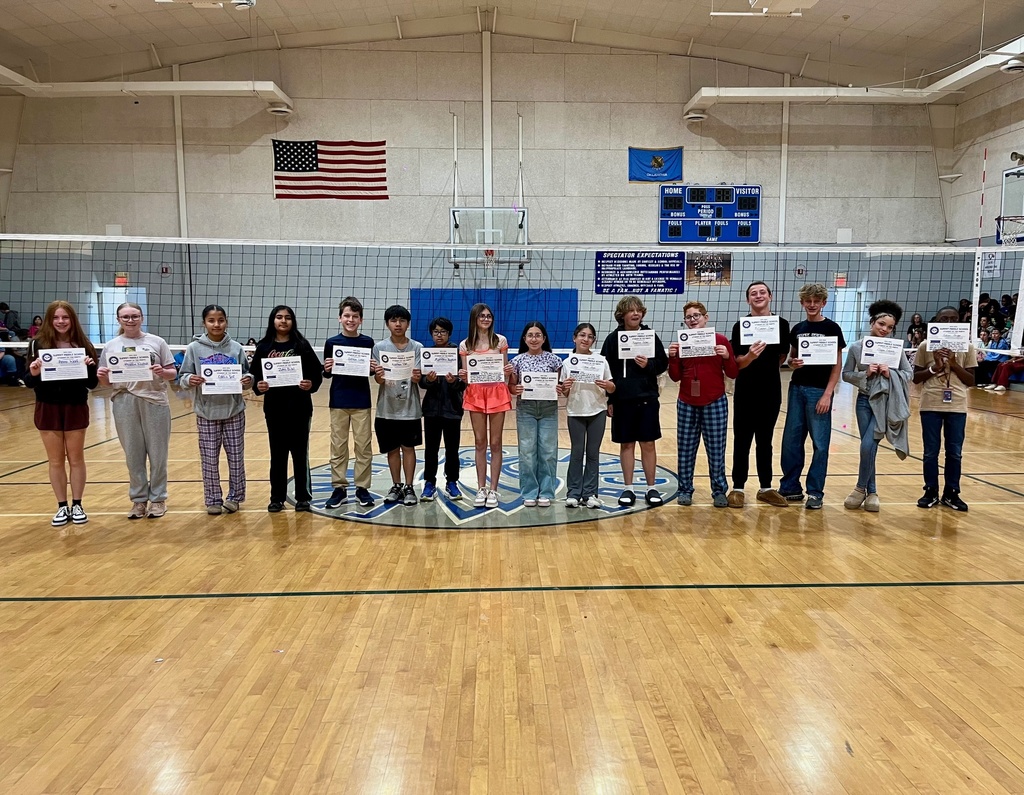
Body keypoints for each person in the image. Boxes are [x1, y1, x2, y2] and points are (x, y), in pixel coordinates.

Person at [97, 302, 177, 519]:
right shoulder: (111, 346)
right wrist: (102, 376)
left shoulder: (156, 342)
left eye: (134, 316)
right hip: (124, 401)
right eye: (125, 317)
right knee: (133, 454)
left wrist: (162, 371)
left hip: (154, 401)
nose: (130, 320)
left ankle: (159, 499)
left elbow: (172, 373)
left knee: (158, 454)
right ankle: (139, 500)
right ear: (119, 320)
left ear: (141, 317)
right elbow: (106, 383)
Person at [22, 301, 99, 527]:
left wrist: (89, 367)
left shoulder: (83, 345)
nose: (61, 322)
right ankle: (61, 507)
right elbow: (28, 382)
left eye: (65, 317)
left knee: (76, 459)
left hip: (75, 406)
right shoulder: (38, 344)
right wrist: (34, 373)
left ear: (72, 319)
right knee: (55, 460)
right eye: (56, 318)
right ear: (49, 320)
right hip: (48, 407)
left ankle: (78, 505)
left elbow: (92, 384)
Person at [178, 304, 253, 515]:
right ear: (204, 323)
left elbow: (248, 377)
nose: (216, 324)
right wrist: (189, 379)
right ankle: (212, 498)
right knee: (209, 459)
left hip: (234, 411)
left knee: (236, 457)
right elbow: (182, 377)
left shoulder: (236, 348)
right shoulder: (194, 348)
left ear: (226, 321)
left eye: (220, 320)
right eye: (211, 320)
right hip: (206, 412)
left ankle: (235, 497)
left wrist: (248, 380)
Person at [778, 283, 847, 509]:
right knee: (791, 441)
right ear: (802, 303)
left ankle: (815, 492)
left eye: (816, 301)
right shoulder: (797, 329)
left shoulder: (832, 328)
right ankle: (790, 487)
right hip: (797, 389)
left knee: (820, 444)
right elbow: (792, 360)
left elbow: (837, 364)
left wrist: (828, 394)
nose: (812, 304)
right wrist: (792, 363)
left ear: (823, 303)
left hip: (819, 391)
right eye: (808, 301)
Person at [250, 305, 323, 512]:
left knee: (300, 454)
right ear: (273, 320)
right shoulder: (264, 347)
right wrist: (259, 386)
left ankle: (303, 497)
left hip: (300, 408)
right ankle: (276, 498)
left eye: (288, 318)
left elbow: (316, 375)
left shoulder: (301, 345)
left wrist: (310, 384)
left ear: (293, 321)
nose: (283, 321)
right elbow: (256, 377)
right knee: (278, 454)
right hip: (274, 409)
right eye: (279, 317)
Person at [841, 301, 912, 512]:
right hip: (864, 401)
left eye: (890, 327)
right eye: (881, 324)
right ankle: (872, 492)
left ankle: (860, 488)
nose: (884, 330)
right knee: (869, 447)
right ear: (872, 322)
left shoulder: (895, 349)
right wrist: (866, 373)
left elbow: (909, 374)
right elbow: (846, 375)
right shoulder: (856, 347)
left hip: (885, 402)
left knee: (867, 446)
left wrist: (891, 373)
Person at [599, 295, 669, 507]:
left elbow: (662, 363)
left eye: (638, 310)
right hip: (622, 399)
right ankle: (628, 488)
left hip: (647, 398)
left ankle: (651, 487)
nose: (636, 313)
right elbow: (606, 369)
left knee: (648, 443)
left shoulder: (649, 336)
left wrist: (648, 364)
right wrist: (610, 398)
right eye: (631, 310)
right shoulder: (613, 339)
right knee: (626, 444)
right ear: (623, 314)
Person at [727, 281, 791, 508]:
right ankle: (737, 488)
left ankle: (765, 487)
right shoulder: (740, 326)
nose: (758, 296)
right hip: (745, 389)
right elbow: (737, 363)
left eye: (762, 292)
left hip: (771, 390)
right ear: (748, 300)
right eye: (753, 293)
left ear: (770, 296)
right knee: (742, 440)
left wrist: (766, 365)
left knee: (765, 441)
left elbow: (782, 356)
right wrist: (751, 357)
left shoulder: (781, 325)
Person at [669, 301, 738, 507]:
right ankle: (685, 489)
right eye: (689, 317)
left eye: (696, 315)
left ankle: (718, 490)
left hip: (715, 401)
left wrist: (727, 357)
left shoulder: (721, 340)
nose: (693, 319)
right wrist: (672, 358)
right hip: (687, 402)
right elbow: (674, 377)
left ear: (706, 318)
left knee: (716, 448)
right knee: (686, 449)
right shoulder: (681, 344)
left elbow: (733, 372)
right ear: (685, 321)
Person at [913, 305, 975, 512]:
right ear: (936, 322)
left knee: (954, 452)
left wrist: (955, 364)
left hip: (957, 405)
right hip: (930, 404)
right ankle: (930, 490)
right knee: (931, 452)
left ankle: (952, 493)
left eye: (953, 319)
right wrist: (935, 367)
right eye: (944, 319)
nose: (949, 323)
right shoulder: (924, 346)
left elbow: (971, 381)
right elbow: (916, 378)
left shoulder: (967, 346)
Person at [322, 297, 376, 510]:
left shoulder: (367, 342)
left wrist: (373, 367)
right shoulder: (331, 343)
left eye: (355, 316)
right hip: (339, 401)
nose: (350, 319)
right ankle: (339, 488)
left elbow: (370, 372)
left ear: (360, 320)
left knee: (363, 447)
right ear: (340, 318)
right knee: (338, 446)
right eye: (347, 316)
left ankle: (362, 488)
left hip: (361, 400)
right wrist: (326, 368)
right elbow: (326, 374)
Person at [459, 303, 514, 509]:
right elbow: (466, 378)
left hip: (497, 393)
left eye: (489, 316)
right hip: (475, 394)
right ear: (474, 318)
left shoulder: (500, 341)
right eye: (481, 316)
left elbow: (504, 371)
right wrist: (463, 376)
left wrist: (507, 371)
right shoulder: (465, 345)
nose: (485, 319)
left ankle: (493, 489)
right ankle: (481, 488)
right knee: (480, 442)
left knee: (496, 442)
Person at [371, 304, 423, 506]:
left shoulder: (416, 348)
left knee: (408, 448)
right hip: (386, 409)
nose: (398, 324)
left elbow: (418, 379)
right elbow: (378, 381)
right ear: (387, 324)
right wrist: (379, 377)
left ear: (408, 324)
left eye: (402, 320)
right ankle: (397, 485)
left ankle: (409, 487)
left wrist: (417, 378)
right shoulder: (379, 347)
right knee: (392, 450)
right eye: (393, 320)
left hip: (410, 409)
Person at [559, 323, 614, 508]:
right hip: (575, 411)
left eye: (590, 336)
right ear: (574, 338)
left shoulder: (601, 361)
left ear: (593, 340)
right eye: (582, 335)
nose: (586, 339)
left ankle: (590, 494)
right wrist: (564, 388)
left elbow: (612, 387)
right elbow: (564, 392)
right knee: (576, 453)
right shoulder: (567, 363)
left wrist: (608, 386)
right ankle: (573, 493)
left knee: (592, 454)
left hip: (597, 410)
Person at [509, 321, 564, 507]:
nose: (534, 338)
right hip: (526, 409)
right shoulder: (517, 361)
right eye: (530, 335)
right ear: (524, 339)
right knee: (527, 452)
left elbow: (561, 386)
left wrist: (559, 387)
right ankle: (529, 492)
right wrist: (514, 389)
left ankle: (546, 492)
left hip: (549, 409)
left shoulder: (554, 360)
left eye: (538, 335)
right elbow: (511, 386)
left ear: (544, 338)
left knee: (548, 452)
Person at [420, 316, 466, 502]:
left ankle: (452, 482)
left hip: (453, 409)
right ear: (431, 333)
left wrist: (454, 381)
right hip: (431, 410)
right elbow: (422, 382)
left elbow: (464, 384)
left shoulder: (457, 354)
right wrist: (428, 381)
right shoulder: (427, 354)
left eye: (443, 332)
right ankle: (429, 483)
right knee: (431, 449)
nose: (439, 335)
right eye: (436, 332)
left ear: (449, 334)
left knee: (452, 449)